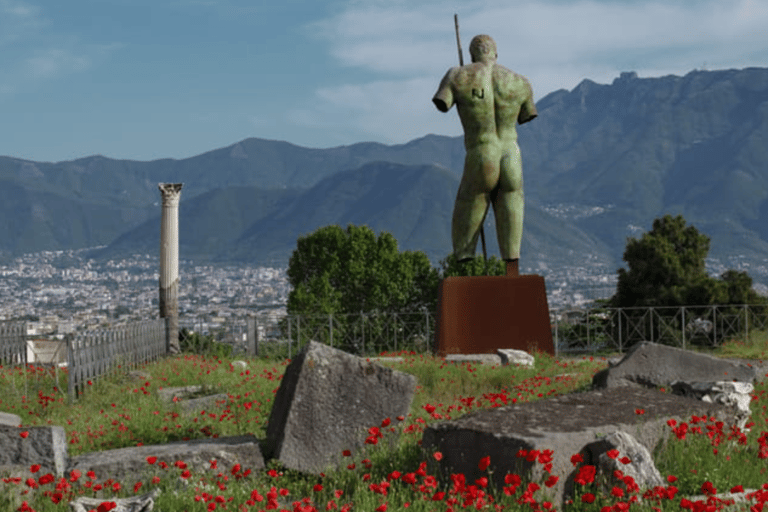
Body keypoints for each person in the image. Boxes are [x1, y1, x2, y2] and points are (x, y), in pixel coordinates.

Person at [433, 34, 536, 276]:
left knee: (468, 201)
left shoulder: (458, 75)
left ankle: (464, 262)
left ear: (472, 54)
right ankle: (512, 265)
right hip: (511, 153)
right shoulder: (520, 81)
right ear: (495, 53)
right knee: (512, 200)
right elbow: (526, 115)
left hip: (482, 151)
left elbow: (443, 102)